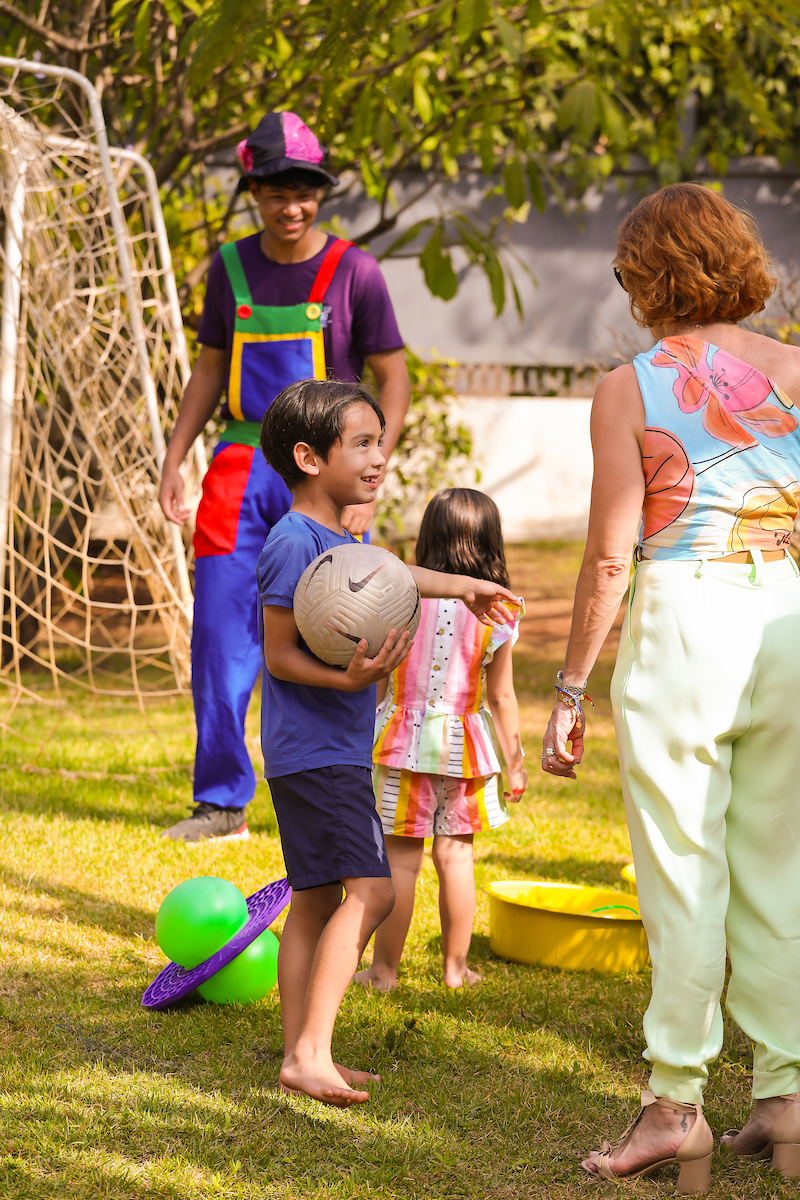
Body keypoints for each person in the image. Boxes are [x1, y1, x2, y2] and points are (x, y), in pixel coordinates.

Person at [540, 182, 800, 1191]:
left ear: (644, 275)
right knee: (777, 868)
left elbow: (610, 557)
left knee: (682, 872)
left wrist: (569, 689)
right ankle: (783, 1096)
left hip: (686, 618)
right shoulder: (795, 370)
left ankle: (673, 1105)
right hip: (785, 617)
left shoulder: (630, 386)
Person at [257, 379, 519, 1107]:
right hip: (318, 752)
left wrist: (462, 585)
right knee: (369, 892)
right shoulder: (291, 543)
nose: (380, 457)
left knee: (312, 901)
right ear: (309, 457)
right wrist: (349, 684)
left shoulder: (343, 540)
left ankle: (302, 1052)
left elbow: (396, 575)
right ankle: (310, 1052)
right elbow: (278, 655)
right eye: (363, 443)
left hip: (321, 750)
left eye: (379, 441)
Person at [159, 111, 409, 843]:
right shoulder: (228, 268)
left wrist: (369, 467)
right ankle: (222, 802)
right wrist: (176, 457)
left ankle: (330, 781)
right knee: (220, 632)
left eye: (304, 191)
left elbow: (392, 376)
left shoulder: (354, 271)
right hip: (238, 467)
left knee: (336, 625)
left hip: (326, 477)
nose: (291, 206)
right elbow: (210, 367)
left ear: (320, 192)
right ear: (253, 191)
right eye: (275, 191)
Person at [355, 488, 528, 990]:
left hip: (401, 745)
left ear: (427, 539)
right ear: (493, 544)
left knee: (401, 864)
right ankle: (456, 969)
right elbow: (503, 697)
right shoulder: (499, 613)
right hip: (466, 752)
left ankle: (384, 971)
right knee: (456, 859)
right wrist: (513, 761)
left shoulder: (400, 600)